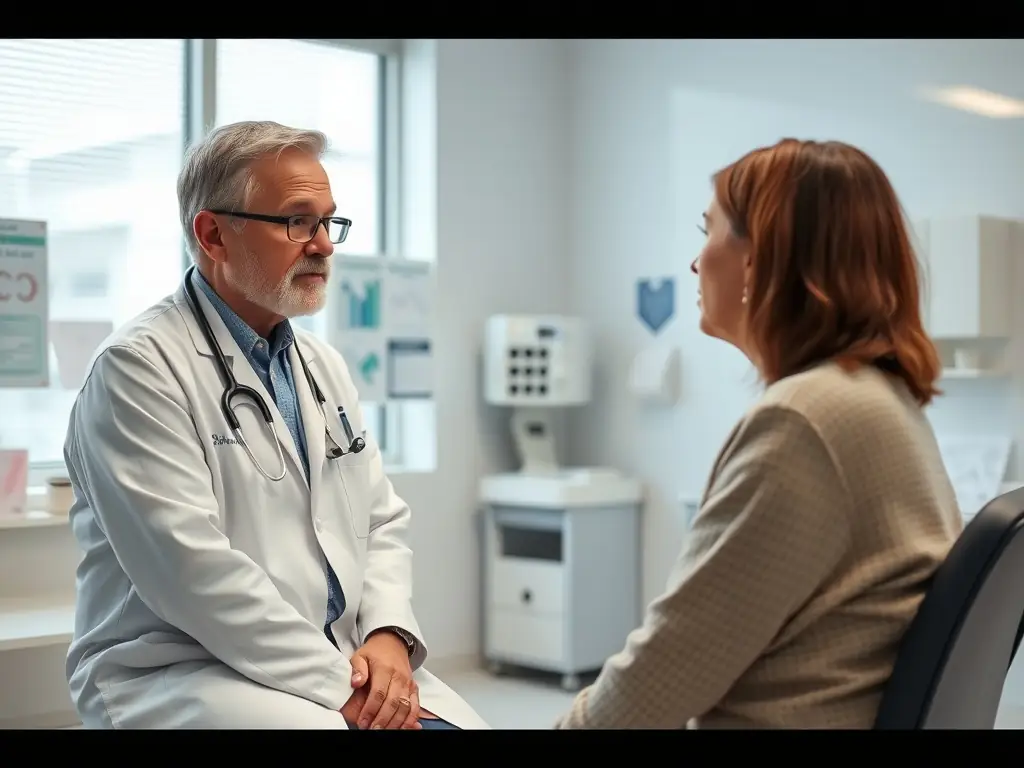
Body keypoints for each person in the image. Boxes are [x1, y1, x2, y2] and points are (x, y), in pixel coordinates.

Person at [63, 120, 489, 730]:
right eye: (297, 221)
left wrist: (390, 633)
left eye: (328, 220)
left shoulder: (321, 366)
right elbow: (192, 573)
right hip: (183, 668)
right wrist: (339, 687)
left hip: (341, 659)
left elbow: (380, 519)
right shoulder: (138, 371)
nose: (324, 245)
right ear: (213, 235)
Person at [553, 138, 964, 729]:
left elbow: (655, 682)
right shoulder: (880, 400)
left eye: (708, 230)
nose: (696, 262)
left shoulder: (805, 420)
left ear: (757, 257)